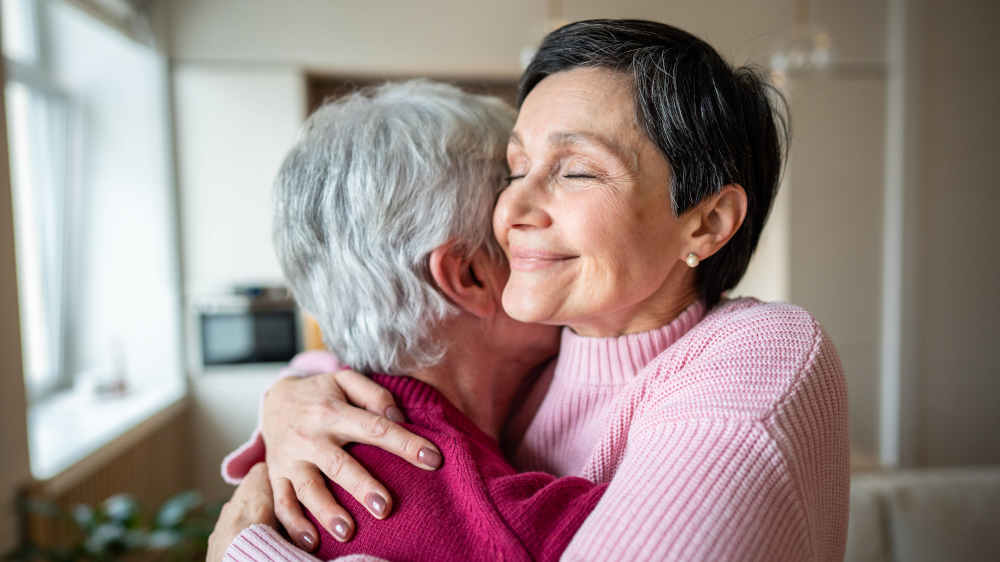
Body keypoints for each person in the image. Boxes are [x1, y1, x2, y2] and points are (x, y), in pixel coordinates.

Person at [224, 19, 849, 561]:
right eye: (516, 169)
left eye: (576, 170)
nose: (513, 206)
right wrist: (293, 397)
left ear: (707, 222)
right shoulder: (535, 356)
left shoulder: (761, 351)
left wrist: (245, 553)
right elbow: (394, 351)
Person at [211, 80, 608, 562]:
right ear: (469, 275)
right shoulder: (525, 528)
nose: (562, 229)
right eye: (523, 210)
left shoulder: (299, 452)